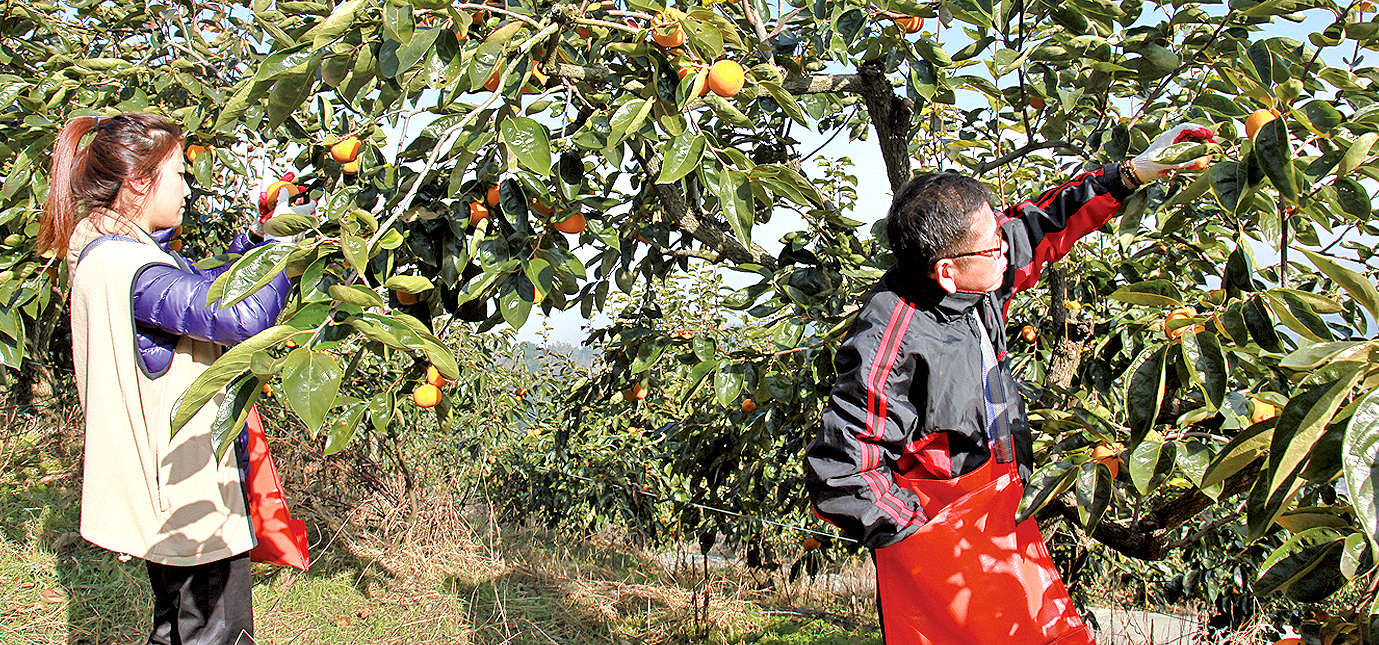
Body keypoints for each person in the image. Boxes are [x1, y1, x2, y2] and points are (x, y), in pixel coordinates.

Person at [803, 124, 1216, 645]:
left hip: (1004, 509)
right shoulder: (894, 336)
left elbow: (1040, 226)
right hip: (946, 535)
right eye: (993, 246)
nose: (1006, 250)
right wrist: (922, 534)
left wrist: (1130, 175)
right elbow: (842, 471)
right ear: (948, 271)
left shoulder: (979, 280)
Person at [39, 113, 313, 645]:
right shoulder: (128, 265)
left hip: (161, 484)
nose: (188, 188)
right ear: (140, 182)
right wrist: (288, 248)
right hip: (186, 487)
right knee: (215, 630)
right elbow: (238, 318)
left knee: (177, 625)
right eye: (178, 173)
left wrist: (257, 237)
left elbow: (199, 294)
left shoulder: (112, 253)